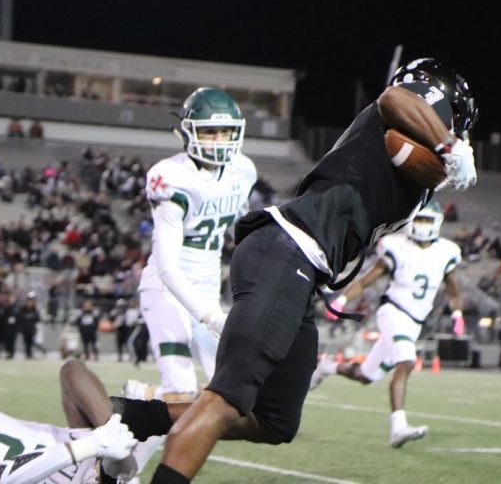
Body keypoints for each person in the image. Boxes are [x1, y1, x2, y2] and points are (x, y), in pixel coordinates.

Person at [148, 57, 478, 483]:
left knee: (275, 420)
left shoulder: (403, 153)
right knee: (227, 397)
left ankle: (133, 417)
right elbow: (395, 97)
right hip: (288, 251)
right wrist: (451, 146)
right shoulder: (413, 103)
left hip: (300, 266)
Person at [128, 87, 257, 402]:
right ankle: (146, 404)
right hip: (167, 289)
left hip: (207, 285)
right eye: (209, 131)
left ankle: (144, 397)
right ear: (187, 132)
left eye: (225, 131)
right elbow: (167, 266)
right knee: (181, 392)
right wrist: (210, 316)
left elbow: (245, 227)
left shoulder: (242, 171)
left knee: (232, 393)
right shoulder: (171, 176)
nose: (218, 140)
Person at [308, 200, 464, 448]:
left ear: (438, 223)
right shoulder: (396, 246)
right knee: (407, 361)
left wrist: (457, 315)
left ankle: (328, 368)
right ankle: (398, 427)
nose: (422, 225)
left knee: (366, 376)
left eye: (427, 220)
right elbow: (366, 279)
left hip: (415, 321)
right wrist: (343, 300)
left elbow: (454, 291)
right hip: (393, 311)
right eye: (419, 219)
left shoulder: (447, 251)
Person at [0, 359, 140, 483]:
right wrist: (112, 429)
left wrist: (91, 445)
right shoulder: (104, 448)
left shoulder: (93, 447)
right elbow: (73, 370)